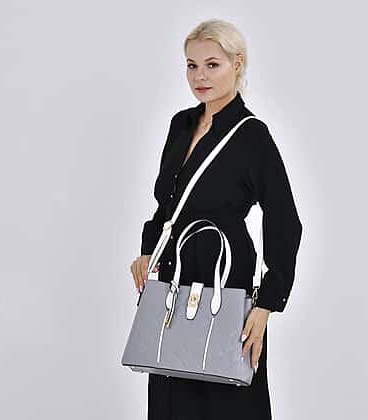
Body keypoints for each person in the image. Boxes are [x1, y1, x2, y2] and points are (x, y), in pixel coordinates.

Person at [130, 18, 303, 420]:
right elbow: (167, 205)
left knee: (227, 394)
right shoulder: (181, 125)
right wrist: (148, 250)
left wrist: (266, 304)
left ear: (237, 64)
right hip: (176, 273)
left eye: (212, 65)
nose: (200, 76)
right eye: (192, 66)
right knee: (172, 384)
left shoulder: (252, 135)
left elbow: (285, 219)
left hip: (227, 277)